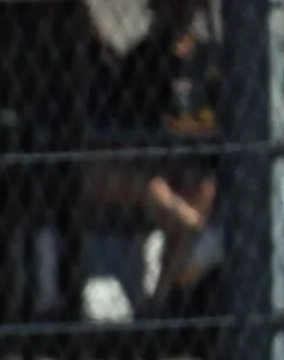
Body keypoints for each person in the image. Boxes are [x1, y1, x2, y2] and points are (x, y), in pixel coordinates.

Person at [87, 0, 218, 310]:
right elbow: (122, 128)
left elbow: (218, 118)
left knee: (203, 187)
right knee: (153, 185)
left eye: (186, 8)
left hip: (190, 164)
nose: (179, 15)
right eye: (170, 8)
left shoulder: (210, 59)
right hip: (148, 168)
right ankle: (191, 229)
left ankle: (162, 298)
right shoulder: (142, 59)